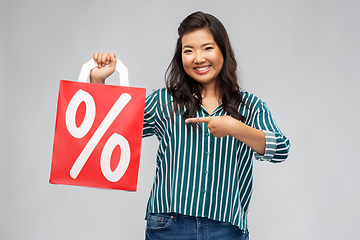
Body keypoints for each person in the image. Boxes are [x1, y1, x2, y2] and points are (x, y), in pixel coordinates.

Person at [90, 11, 290, 240]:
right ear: (180, 57)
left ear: (223, 51)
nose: (198, 58)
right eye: (188, 50)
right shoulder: (164, 102)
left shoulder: (250, 106)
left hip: (226, 229)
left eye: (207, 48)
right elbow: (110, 129)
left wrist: (234, 127)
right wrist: (99, 81)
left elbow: (281, 149)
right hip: (169, 226)